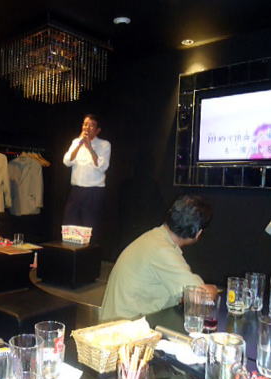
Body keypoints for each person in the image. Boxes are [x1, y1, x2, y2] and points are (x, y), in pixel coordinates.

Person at [100, 194, 217, 322]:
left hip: (119, 322)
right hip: (124, 329)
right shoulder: (162, 250)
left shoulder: (155, 238)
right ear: (198, 233)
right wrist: (214, 290)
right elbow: (199, 298)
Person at [63, 114, 111, 241]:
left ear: (98, 130)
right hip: (76, 191)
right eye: (85, 124)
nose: (87, 128)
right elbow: (67, 161)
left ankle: (90, 253)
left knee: (90, 228)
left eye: (91, 125)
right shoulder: (75, 142)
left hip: (93, 192)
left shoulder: (104, 144)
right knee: (70, 226)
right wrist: (79, 144)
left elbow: (103, 166)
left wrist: (89, 147)